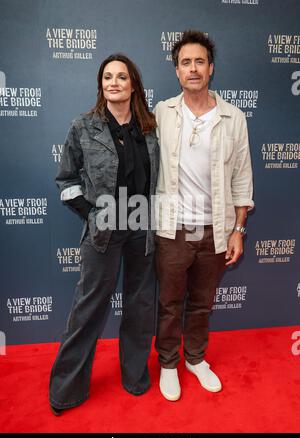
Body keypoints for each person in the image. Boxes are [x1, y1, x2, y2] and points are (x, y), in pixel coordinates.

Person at [49, 54, 159, 415]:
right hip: (105, 228)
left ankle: (135, 378)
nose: (114, 82)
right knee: (89, 308)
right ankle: (66, 391)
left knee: (141, 308)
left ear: (133, 85)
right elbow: (66, 180)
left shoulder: (149, 128)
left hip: (143, 226)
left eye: (122, 77)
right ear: (101, 85)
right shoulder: (83, 126)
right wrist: (93, 214)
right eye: (107, 77)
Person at [154, 30, 254, 401]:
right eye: (185, 62)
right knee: (168, 302)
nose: (192, 69)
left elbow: (242, 175)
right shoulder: (161, 112)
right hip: (172, 229)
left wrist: (238, 229)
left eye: (199, 61)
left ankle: (195, 359)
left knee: (202, 302)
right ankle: (168, 363)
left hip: (216, 228)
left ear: (210, 68)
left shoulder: (233, 117)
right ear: (177, 71)